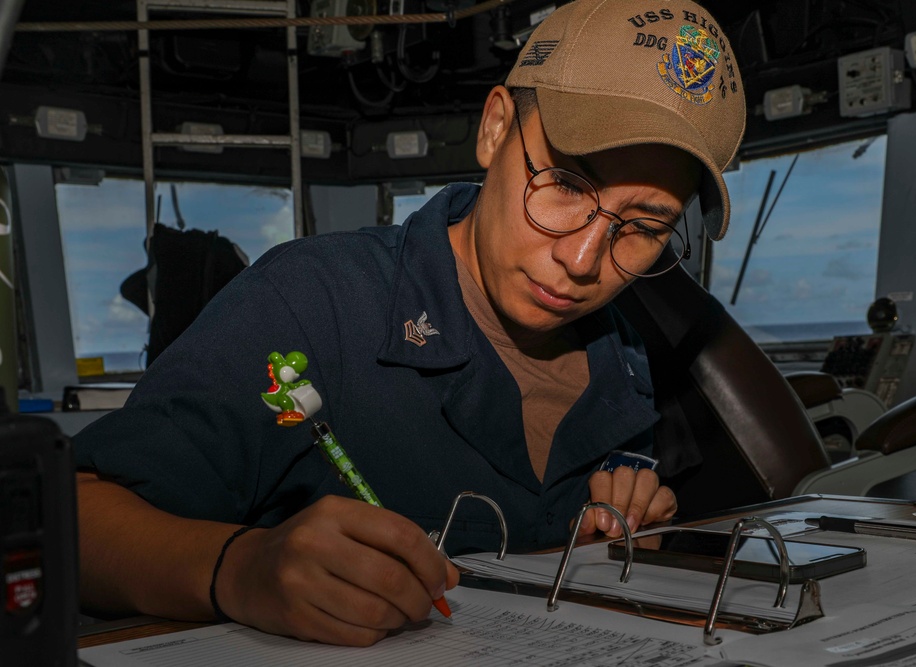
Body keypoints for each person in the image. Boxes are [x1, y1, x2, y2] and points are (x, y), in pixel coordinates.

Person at [73, 0, 745, 648]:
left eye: (644, 225)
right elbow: (74, 520)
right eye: (567, 182)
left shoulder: (624, 361)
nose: (581, 259)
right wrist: (238, 567)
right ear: (494, 129)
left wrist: (613, 546)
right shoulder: (313, 303)